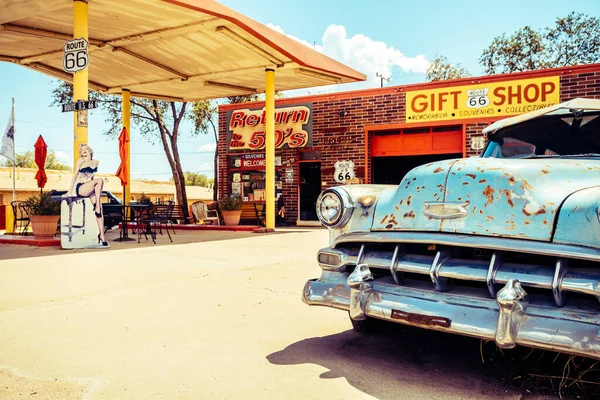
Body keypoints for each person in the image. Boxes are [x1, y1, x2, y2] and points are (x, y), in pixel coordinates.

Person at [64, 143, 108, 246]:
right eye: (81, 150)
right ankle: (97, 206)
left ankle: (102, 235)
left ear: (90, 151)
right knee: (100, 180)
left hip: (90, 187)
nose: (83, 151)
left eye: (85, 149)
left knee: (100, 210)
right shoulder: (80, 161)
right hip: (81, 187)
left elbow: (92, 178)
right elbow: (75, 175)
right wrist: (70, 190)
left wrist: (94, 188)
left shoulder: (96, 162)